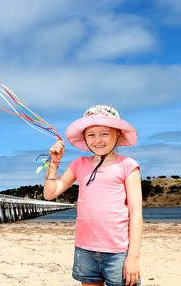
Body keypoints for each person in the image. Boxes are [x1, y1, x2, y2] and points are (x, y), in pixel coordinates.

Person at [44, 105, 143, 286]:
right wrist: (54, 163)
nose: (97, 140)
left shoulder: (127, 165)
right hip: (85, 249)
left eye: (104, 133)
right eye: (91, 135)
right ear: (84, 138)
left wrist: (133, 257)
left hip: (118, 252)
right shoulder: (79, 164)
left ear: (118, 135)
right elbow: (50, 194)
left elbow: (136, 213)